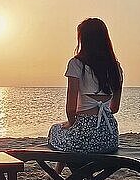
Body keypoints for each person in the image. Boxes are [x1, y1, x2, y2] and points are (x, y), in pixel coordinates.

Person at [48, 18, 123, 171]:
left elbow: (70, 109)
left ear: (83, 39)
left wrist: (70, 123)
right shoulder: (116, 68)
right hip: (109, 137)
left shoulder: (76, 64)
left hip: (85, 138)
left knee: (56, 130)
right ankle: (66, 173)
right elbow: (114, 108)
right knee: (69, 134)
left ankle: (57, 174)